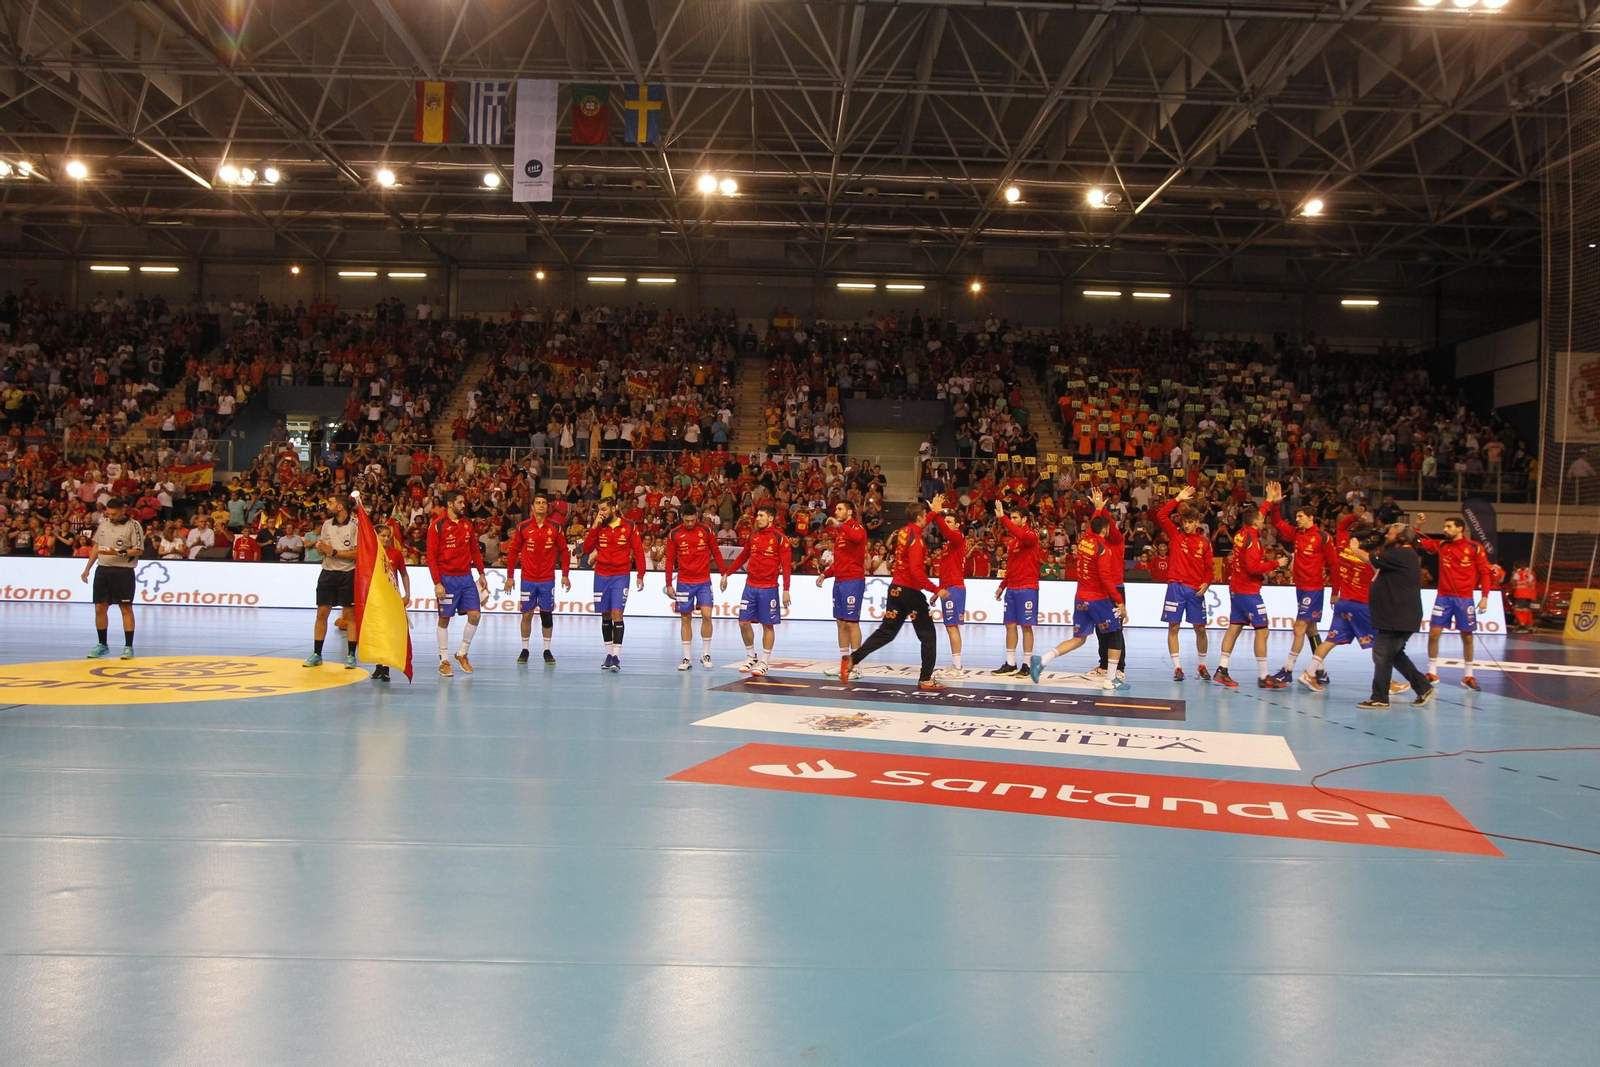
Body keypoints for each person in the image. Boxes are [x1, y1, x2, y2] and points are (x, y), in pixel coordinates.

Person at [838, 497, 949, 691]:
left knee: (886, 632)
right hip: (910, 592)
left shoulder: (904, 532)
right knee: (928, 636)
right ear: (920, 518)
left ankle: (852, 659)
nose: (926, 519)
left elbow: (919, 525)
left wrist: (935, 512)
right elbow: (916, 572)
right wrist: (936, 589)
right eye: (925, 516)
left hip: (895, 590)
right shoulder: (917, 540)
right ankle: (926, 679)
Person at [1029, 513, 1126, 687]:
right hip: (1098, 598)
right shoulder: (1103, 549)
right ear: (1105, 530)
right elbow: (1105, 578)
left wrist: (1097, 511)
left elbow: (1090, 530)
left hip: (1080, 597)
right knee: (1115, 632)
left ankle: (1042, 660)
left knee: (1079, 638)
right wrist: (1119, 601)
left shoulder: (1083, 543)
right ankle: (1111, 679)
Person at [1351, 523, 1435, 709]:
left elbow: (1369, 559)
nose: (1386, 536)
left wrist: (1354, 548)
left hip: (1398, 617)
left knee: (1381, 654)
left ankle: (1380, 697)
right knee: (1394, 655)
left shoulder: (1402, 553)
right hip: (1398, 615)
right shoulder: (1402, 554)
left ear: (1401, 538)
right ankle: (1423, 687)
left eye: (1389, 534)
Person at [1265, 482, 1337, 685]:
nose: (1297, 520)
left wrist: (1335, 592)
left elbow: (1333, 564)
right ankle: (1321, 671)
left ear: (1311, 518)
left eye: (1300, 517)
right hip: (1301, 588)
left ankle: (1287, 670)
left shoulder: (1323, 537)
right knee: (1311, 630)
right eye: (1296, 517)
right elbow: (1277, 523)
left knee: (1299, 628)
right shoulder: (1297, 534)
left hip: (1314, 589)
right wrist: (1275, 504)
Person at [1413, 513, 1494, 690]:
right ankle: (1432, 673)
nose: (1445, 529)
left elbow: (1485, 573)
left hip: (1465, 599)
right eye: (1444, 526)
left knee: (1467, 637)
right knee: (1433, 634)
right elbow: (1417, 542)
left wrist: (1485, 597)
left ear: (1460, 528)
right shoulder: (1442, 544)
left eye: (1449, 526)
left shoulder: (1475, 547)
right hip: (1443, 597)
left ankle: (1468, 676)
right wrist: (1418, 525)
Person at [1212, 503, 1285, 689]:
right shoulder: (1252, 539)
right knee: (1262, 631)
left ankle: (1222, 670)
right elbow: (1253, 568)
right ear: (1256, 522)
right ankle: (1264, 676)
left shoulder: (1240, 533)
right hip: (1248, 591)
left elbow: (1256, 515)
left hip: (1236, 588)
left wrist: (1269, 501)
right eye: (1261, 519)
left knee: (1234, 628)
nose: (1263, 520)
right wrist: (1276, 563)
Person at [722, 504, 792, 675]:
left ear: (770, 518)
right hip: (750, 586)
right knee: (743, 622)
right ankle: (751, 655)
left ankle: (765, 661)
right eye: (757, 516)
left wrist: (786, 589)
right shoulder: (752, 536)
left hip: (769, 588)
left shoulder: (780, 538)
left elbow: (786, 566)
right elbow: (742, 557)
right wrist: (726, 574)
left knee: (767, 625)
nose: (757, 519)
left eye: (761, 516)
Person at [427, 489, 491, 677]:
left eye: (464, 502)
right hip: (446, 579)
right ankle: (444, 661)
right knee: (444, 619)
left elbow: (474, 550)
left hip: (466, 578)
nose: (464, 505)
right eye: (460, 502)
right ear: (450, 504)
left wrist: (481, 573)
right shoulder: (437, 526)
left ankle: (462, 653)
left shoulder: (468, 524)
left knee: (475, 615)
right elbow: (431, 557)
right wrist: (437, 583)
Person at [1154, 486, 1214, 681]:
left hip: (1195, 590)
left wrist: (1206, 582)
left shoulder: (1205, 542)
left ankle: (1202, 665)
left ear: (1197, 522)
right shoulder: (1176, 535)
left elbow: (1209, 568)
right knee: (1173, 627)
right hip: (1176, 587)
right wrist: (1177, 499)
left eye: (1190, 522)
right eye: (1185, 522)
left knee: (1201, 629)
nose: (1187, 525)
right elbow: (1161, 516)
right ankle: (1177, 668)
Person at [505, 492, 571, 665]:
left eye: (544, 503)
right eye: (538, 503)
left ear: (547, 507)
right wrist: (510, 577)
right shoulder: (523, 527)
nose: (541, 505)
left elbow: (564, 551)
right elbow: (513, 552)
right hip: (528, 578)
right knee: (526, 614)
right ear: (532, 507)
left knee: (546, 615)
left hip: (547, 579)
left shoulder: (555, 527)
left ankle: (547, 650)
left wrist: (565, 575)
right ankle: (525, 649)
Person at [582, 499, 646, 672]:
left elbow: (638, 551)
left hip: (620, 575)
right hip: (601, 575)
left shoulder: (629, 526)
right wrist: (594, 526)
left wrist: (640, 575)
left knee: (617, 613)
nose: (601, 513)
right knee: (605, 615)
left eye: (604, 509)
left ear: (613, 509)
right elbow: (586, 550)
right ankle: (608, 655)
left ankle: (616, 656)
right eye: (599, 510)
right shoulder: (599, 527)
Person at [665, 502, 726, 670]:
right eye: (687, 521)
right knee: (685, 618)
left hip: (704, 581)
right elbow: (669, 560)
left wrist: (724, 574)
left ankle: (705, 653)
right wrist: (668, 584)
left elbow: (716, 552)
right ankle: (687, 658)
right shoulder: (674, 534)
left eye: (693, 520)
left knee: (707, 615)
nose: (690, 523)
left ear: (697, 517)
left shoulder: (707, 530)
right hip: (684, 582)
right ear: (682, 518)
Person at [80, 497, 143, 660]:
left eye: (114, 514)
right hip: (103, 570)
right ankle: (102, 644)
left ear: (123, 510)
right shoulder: (104, 523)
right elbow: (96, 546)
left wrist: (118, 552)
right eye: (108, 513)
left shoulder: (134, 525)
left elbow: (138, 550)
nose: (110, 516)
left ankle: (128, 647)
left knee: (125, 608)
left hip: (123, 572)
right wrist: (87, 568)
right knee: (100, 608)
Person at [305, 495, 360, 669]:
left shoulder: (356, 525)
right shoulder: (327, 524)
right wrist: (321, 549)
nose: (327, 505)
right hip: (327, 573)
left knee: (350, 616)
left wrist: (334, 552)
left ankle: (351, 655)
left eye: (330, 503)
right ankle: (317, 654)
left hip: (347, 573)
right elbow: (324, 549)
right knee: (321, 614)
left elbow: (358, 553)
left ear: (340, 507)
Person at [816, 500, 868, 671]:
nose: (836, 512)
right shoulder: (840, 533)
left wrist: (839, 525)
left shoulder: (857, 528)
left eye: (840, 509)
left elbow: (858, 538)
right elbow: (839, 562)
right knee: (840, 622)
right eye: (836, 509)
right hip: (839, 581)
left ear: (850, 512)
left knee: (852, 623)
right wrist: (824, 574)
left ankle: (856, 665)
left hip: (853, 581)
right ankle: (844, 663)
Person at [992, 500, 1041, 675]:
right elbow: (1011, 567)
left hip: (1027, 588)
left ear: (1024, 519)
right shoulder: (1013, 542)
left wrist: (1003, 518)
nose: (1012, 520)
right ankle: (1010, 663)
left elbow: (1020, 534)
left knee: (1026, 626)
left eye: (1015, 518)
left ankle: (1027, 664)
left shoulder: (1031, 535)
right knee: (1010, 625)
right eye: (1011, 517)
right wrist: (1002, 586)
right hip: (1012, 588)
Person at [1088, 487, 1127, 684]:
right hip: (1101, 589)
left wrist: (1101, 508)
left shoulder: (1117, 540)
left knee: (1115, 629)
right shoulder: (1098, 542)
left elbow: (1107, 523)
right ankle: (1104, 664)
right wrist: (1097, 510)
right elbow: (1093, 529)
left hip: (1115, 587)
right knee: (1101, 628)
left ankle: (1119, 667)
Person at [927, 505, 968, 679]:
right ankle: (955, 665)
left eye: (949, 521)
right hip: (948, 588)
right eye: (945, 521)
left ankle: (957, 668)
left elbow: (946, 531)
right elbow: (947, 571)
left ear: (957, 525)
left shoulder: (958, 537)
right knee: (950, 627)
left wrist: (936, 515)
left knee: (952, 627)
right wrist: (937, 592)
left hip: (954, 589)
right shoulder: (949, 545)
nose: (946, 524)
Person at [370, 523, 411, 682]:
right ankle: (378, 664)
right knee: (377, 631)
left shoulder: (396, 553)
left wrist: (407, 594)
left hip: (391, 598)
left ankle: (386, 667)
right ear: (376, 536)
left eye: (388, 536)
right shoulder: (370, 552)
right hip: (375, 598)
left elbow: (404, 574)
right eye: (383, 536)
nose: (386, 539)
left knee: (388, 631)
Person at [1511, 560, 1538, 633]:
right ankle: (1529, 625)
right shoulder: (1532, 572)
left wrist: (1513, 574)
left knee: (1518, 609)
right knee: (1527, 609)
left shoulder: (1519, 572)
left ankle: (1522, 626)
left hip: (1521, 594)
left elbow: (1513, 581)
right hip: (1530, 594)